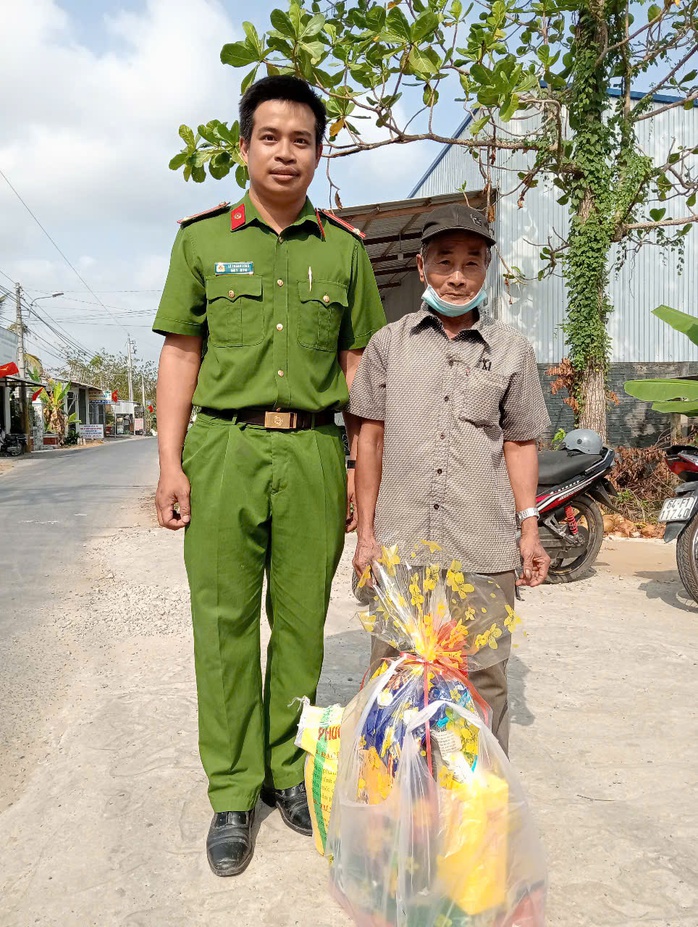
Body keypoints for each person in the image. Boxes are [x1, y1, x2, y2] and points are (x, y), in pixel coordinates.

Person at [152, 75, 385, 877]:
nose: (286, 152)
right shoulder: (203, 240)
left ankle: (288, 772)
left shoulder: (346, 250)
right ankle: (230, 788)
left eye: (303, 139)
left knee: (300, 623)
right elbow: (181, 351)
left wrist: (362, 484)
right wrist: (169, 462)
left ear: (319, 150)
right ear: (245, 146)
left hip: (315, 452)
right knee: (220, 624)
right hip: (223, 450)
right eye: (271, 137)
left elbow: (362, 373)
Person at [350, 203, 551, 754]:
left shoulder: (512, 349)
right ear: (421, 269)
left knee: (483, 676)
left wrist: (528, 528)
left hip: (481, 541)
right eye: (444, 262)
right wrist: (366, 535)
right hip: (401, 542)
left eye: (471, 262)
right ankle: (390, 804)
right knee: (393, 672)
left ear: (488, 270)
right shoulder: (388, 345)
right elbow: (369, 440)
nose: (458, 276)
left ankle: (478, 812)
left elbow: (520, 442)